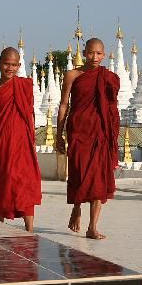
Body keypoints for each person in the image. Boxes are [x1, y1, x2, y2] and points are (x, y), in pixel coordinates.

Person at [56, 38, 120, 240]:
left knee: (98, 177)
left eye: (99, 53)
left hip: (100, 131)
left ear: (105, 54)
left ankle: (92, 227)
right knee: (79, 172)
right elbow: (64, 105)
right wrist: (59, 134)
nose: (95, 58)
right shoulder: (72, 75)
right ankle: (76, 207)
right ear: (84, 53)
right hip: (78, 131)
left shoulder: (108, 77)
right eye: (91, 53)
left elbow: (111, 106)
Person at [0, 47, 41, 232]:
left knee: (26, 183)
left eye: (14, 65)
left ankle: (30, 229)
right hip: (1, 144)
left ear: (19, 66)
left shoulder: (24, 86)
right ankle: (0, 225)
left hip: (23, 144)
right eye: (6, 64)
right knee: (1, 182)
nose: (10, 68)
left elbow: (30, 114)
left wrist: (31, 138)